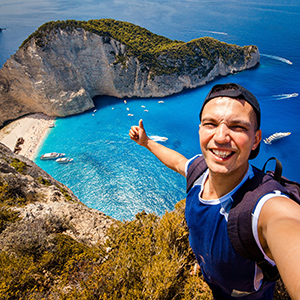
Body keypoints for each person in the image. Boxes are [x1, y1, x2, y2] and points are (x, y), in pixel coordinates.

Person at [129, 83, 300, 299]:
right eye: (210, 124)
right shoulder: (199, 170)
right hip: (212, 283)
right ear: (200, 130)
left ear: (256, 140)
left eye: (237, 127)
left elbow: (287, 226)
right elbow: (178, 162)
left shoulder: (263, 206)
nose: (220, 137)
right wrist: (146, 142)